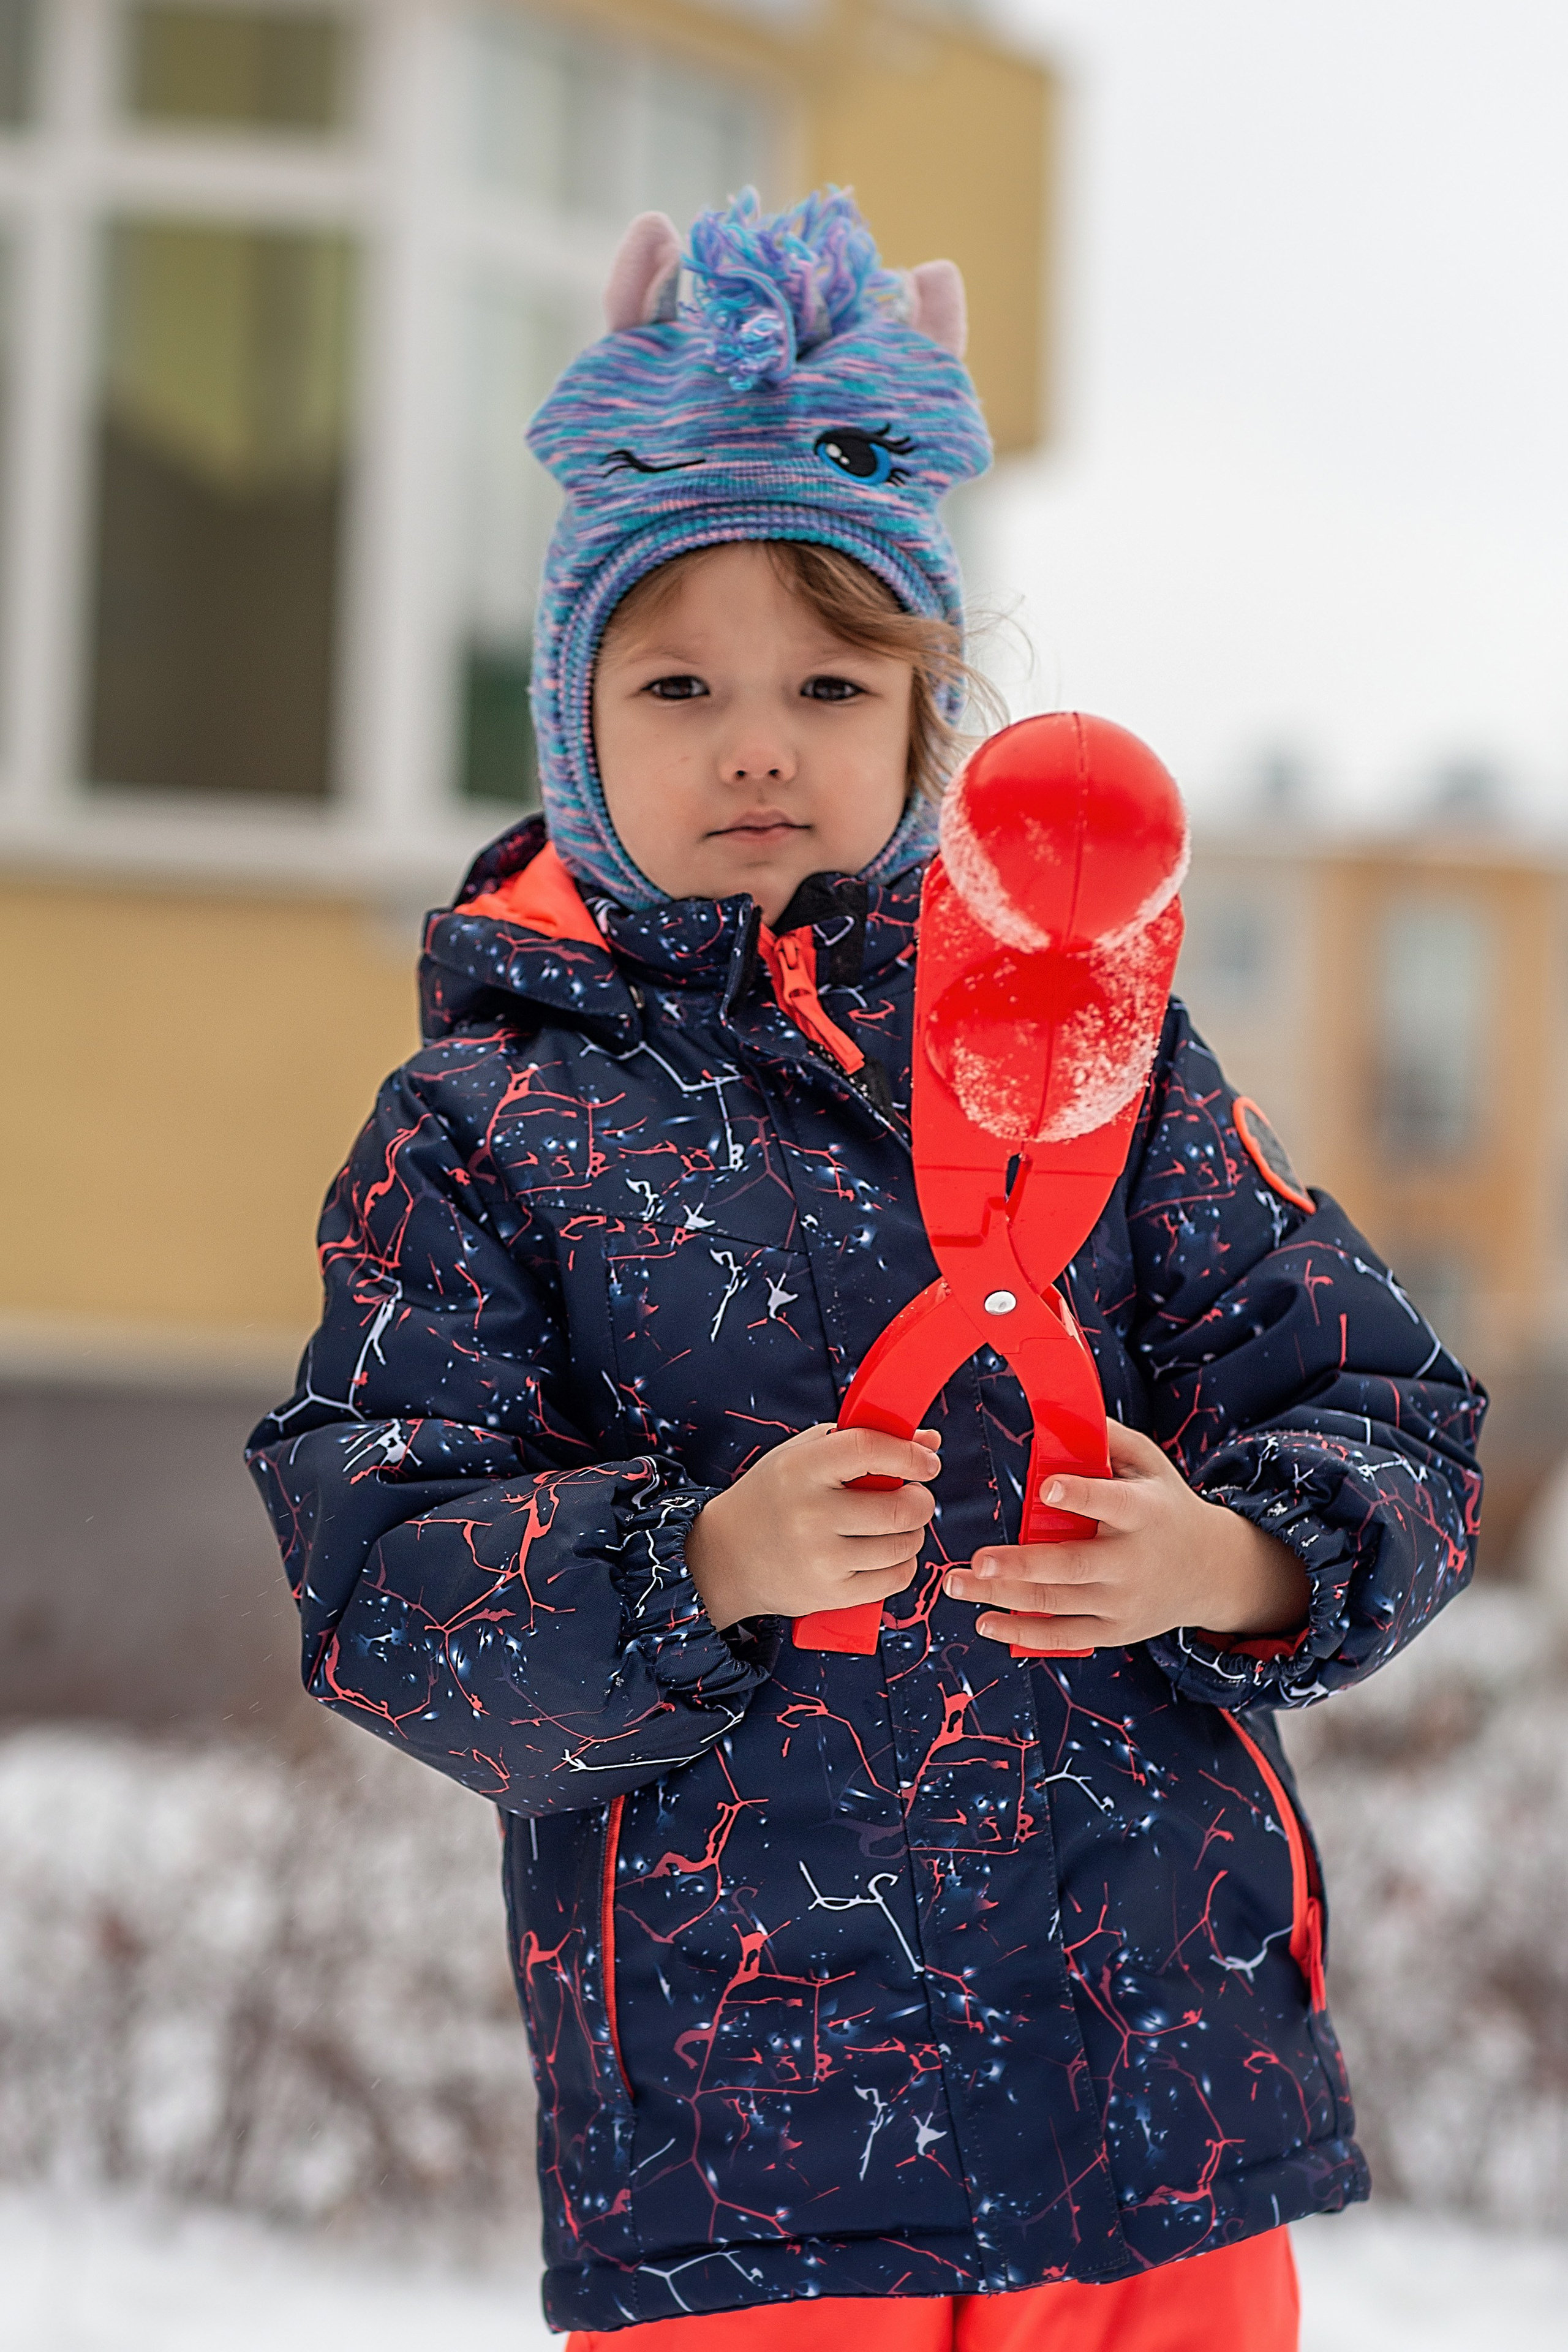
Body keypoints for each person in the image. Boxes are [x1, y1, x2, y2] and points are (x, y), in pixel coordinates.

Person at [248, 192, 1483, 2349]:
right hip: (750, 2147)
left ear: (927, 714)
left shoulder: (1103, 1054)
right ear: (574, 716)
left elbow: (1388, 1413)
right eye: (680, 679)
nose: (756, 739)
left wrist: (1240, 1564)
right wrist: (697, 1557)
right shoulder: (481, 1132)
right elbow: (379, 1583)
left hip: (1153, 2108)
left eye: (832, 679)